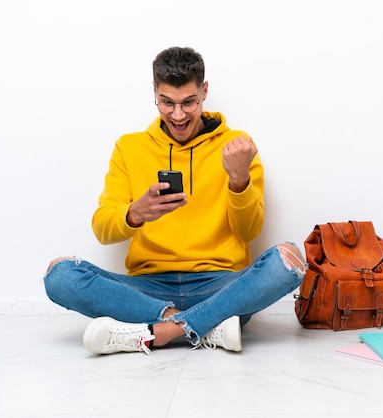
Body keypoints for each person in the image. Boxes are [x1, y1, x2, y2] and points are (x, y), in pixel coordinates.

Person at [44, 46, 306, 355]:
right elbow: (102, 229)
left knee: (289, 260)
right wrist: (134, 214)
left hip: (219, 286)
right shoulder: (129, 147)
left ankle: (159, 332)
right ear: (154, 90)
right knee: (59, 274)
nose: (178, 115)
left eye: (188, 102)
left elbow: (249, 232)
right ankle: (201, 326)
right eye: (166, 103)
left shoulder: (236, 146)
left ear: (204, 91)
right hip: (148, 289)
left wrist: (238, 181)